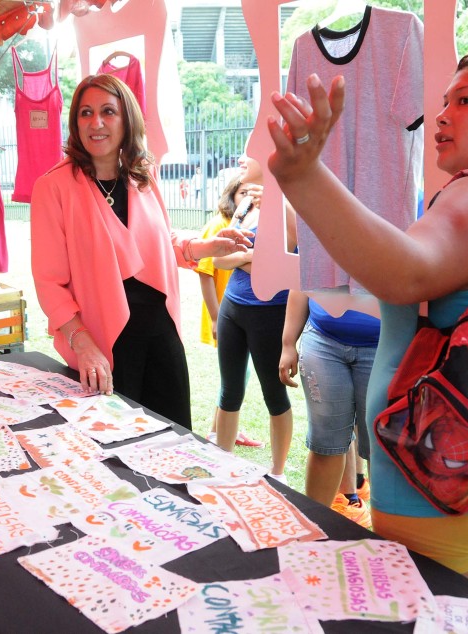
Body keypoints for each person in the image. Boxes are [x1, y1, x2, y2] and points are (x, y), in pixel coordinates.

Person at [267, 49, 468, 610]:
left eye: (465, 101)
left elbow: (405, 273)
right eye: (444, 100)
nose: (441, 114)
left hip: (442, 484)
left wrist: (303, 174)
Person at [31, 74, 250, 430]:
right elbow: (49, 282)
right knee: (110, 455)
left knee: (173, 442)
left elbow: (160, 241)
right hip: (103, 342)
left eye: (107, 111)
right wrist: (82, 342)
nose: (96, 122)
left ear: (126, 119)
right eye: (85, 113)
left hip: (161, 333)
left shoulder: (142, 175)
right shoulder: (53, 187)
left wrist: (204, 246)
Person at [210, 153, 295, 480]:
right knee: (229, 391)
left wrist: (243, 258)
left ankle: (277, 473)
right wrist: (252, 257)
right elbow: (220, 258)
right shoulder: (245, 205)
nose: (244, 159)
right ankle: (221, 464)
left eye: (251, 155)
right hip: (234, 308)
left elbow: (293, 253)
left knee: (274, 395)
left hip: (270, 313)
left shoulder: (288, 199)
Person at [279, 288, 377, 526]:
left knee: (380, 450)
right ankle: (314, 530)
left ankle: (386, 540)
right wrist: (288, 342)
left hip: (384, 345)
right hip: (323, 342)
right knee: (325, 445)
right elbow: (301, 279)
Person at [198, 175, 263, 448]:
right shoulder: (219, 225)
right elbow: (205, 271)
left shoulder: (253, 226)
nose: (248, 199)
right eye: (242, 193)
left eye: (253, 193)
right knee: (232, 377)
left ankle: (225, 428)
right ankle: (217, 432)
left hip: (243, 313)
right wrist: (215, 316)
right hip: (225, 314)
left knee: (239, 375)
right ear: (231, 196)